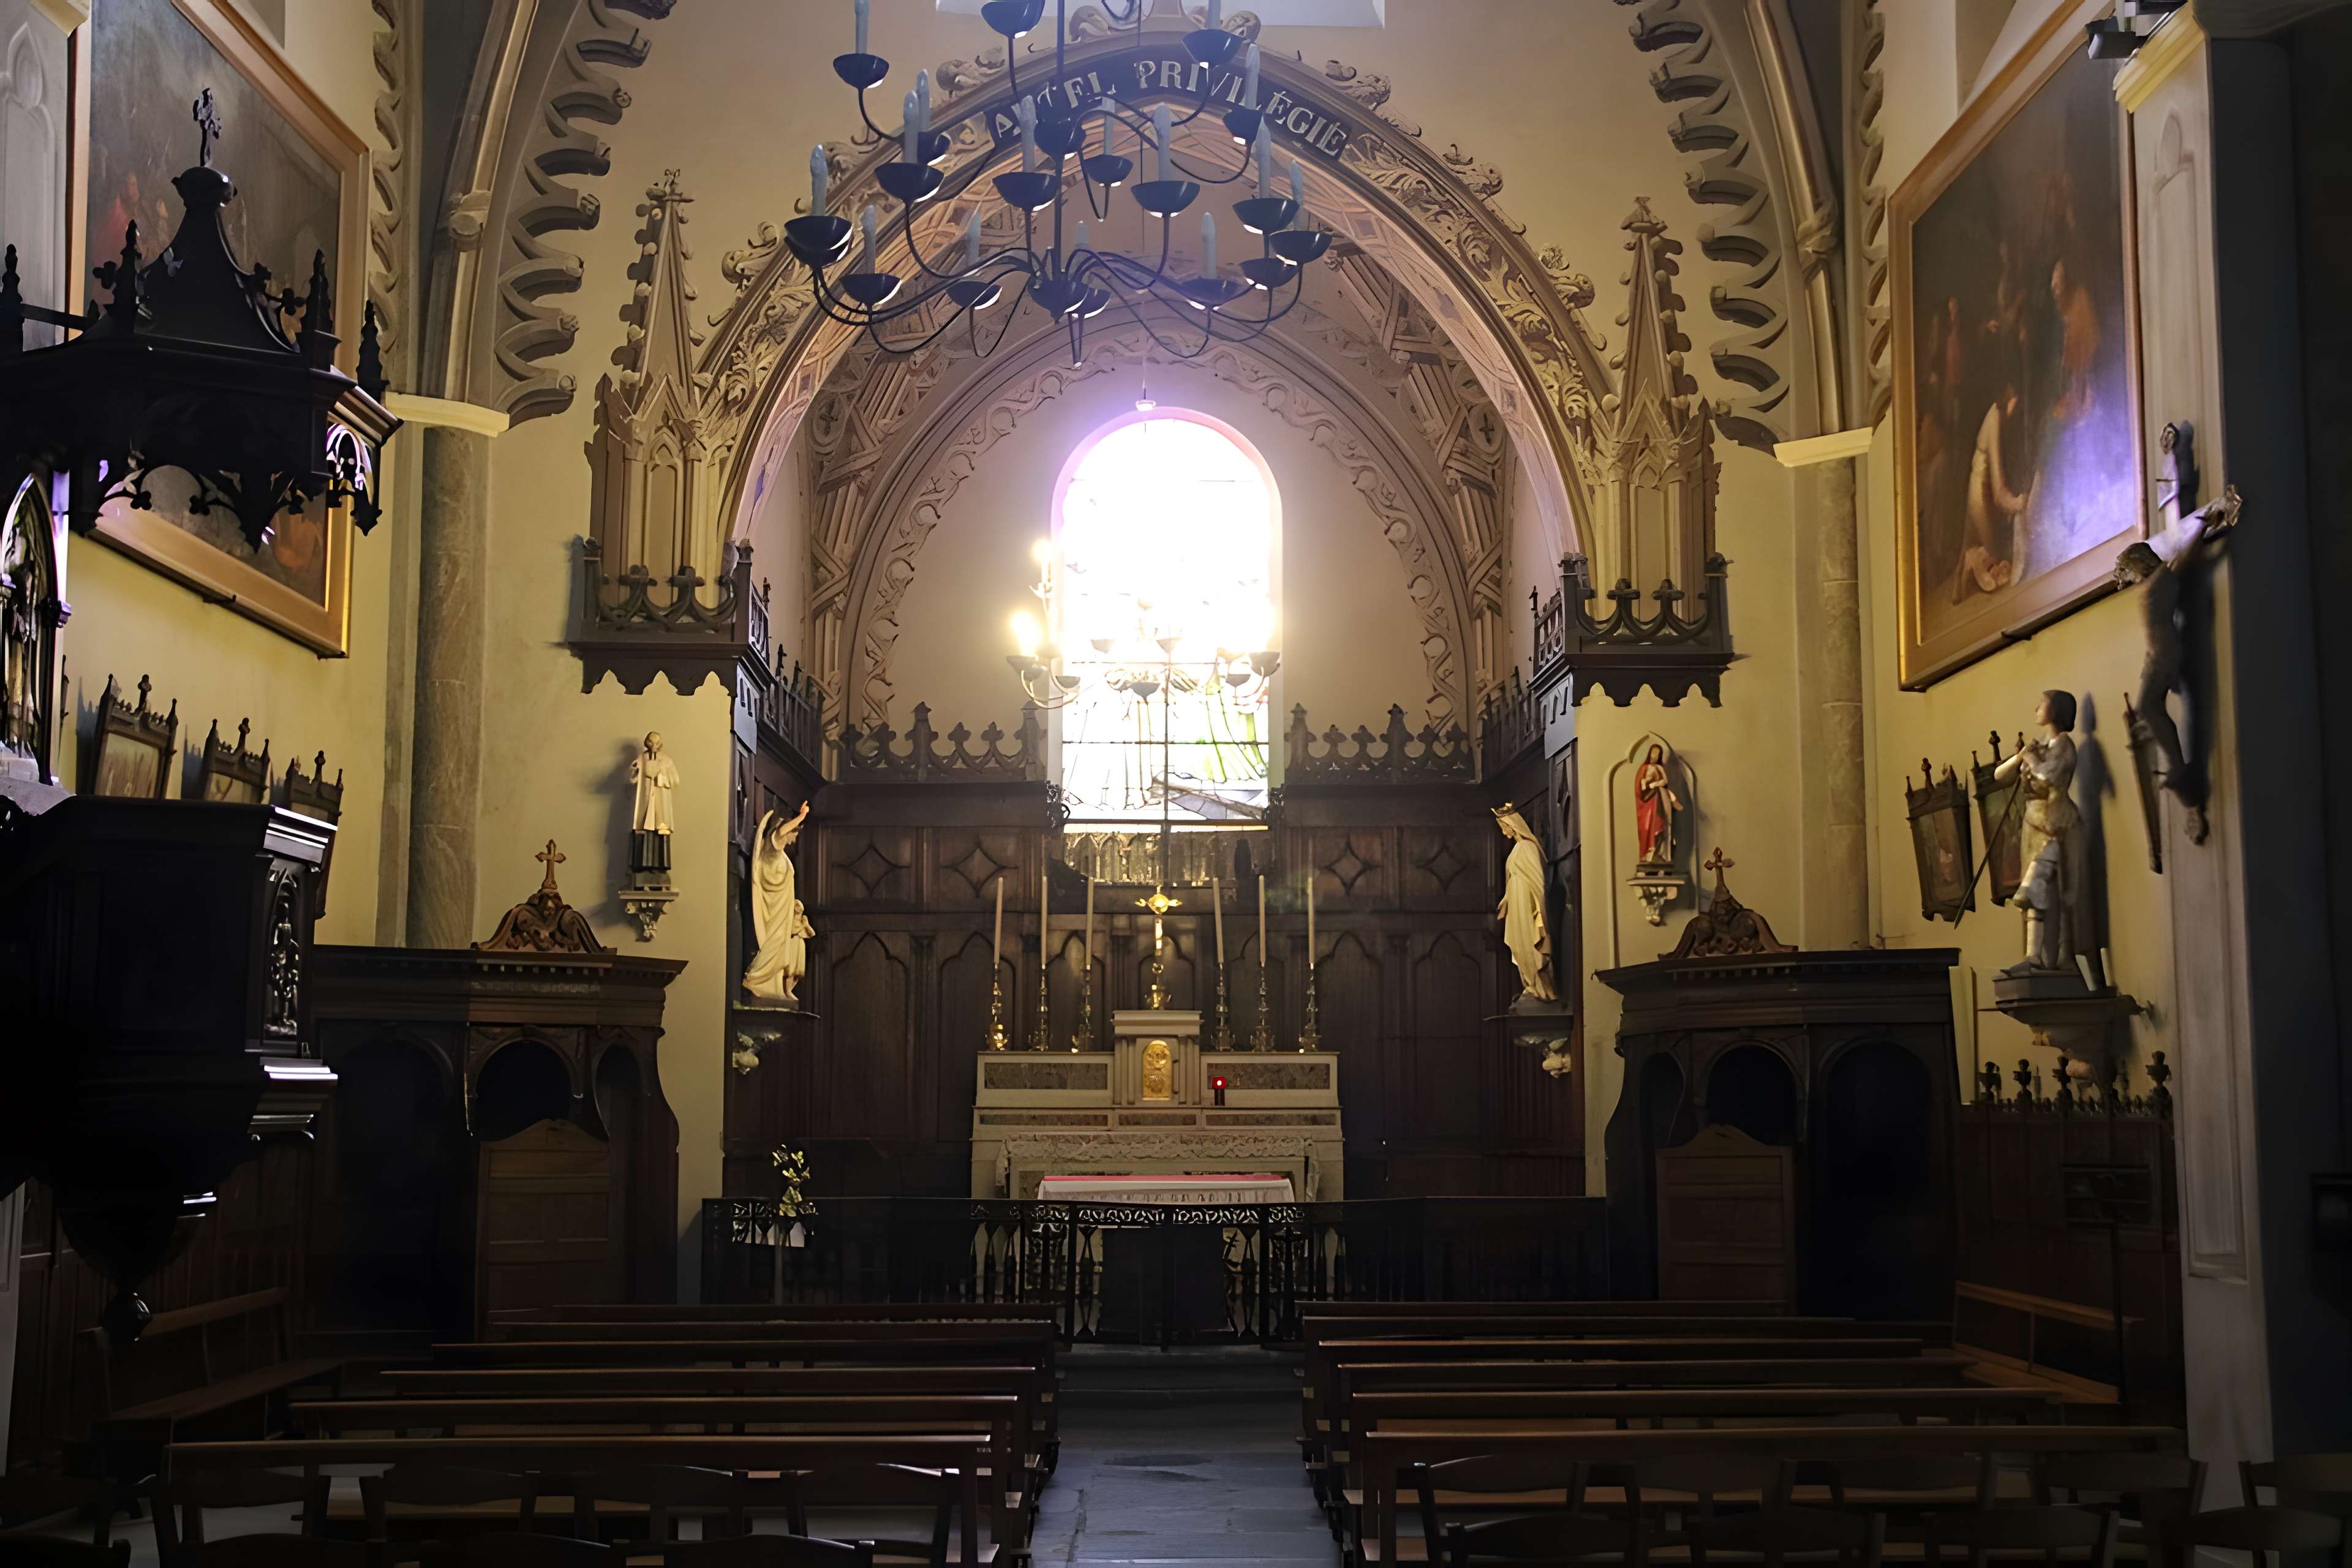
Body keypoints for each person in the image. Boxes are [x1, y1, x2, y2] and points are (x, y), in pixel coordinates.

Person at [1994, 690, 2086, 975]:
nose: (2036, 708)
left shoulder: (2064, 745)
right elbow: (1999, 776)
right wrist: (2020, 757)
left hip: (2055, 825)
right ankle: (2039, 956)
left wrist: (2032, 760)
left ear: (2056, 710)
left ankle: (2041, 957)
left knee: (2038, 888)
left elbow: (2050, 777)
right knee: (2038, 891)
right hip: (2033, 825)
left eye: (2042, 704)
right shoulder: (2040, 746)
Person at [1957, 383, 2029, 600]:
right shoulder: (1995, 419)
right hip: (1981, 497)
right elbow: (1998, 493)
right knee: (1998, 555)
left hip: (1987, 493)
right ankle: (1973, 558)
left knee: (2006, 555)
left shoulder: (2005, 417)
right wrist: (2019, 502)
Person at [743, 803, 815, 1005]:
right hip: (773, 910)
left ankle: (772, 985)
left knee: (781, 948)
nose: (794, 840)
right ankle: (756, 979)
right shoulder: (771, 851)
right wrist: (801, 817)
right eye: (795, 834)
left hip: (782, 910)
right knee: (774, 945)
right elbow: (781, 832)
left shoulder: (781, 856)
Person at [1494, 804, 1555, 1003]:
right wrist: (1506, 900)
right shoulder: (1516, 849)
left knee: (1530, 943)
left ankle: (1540, 986)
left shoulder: (1527, 847)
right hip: (1517, 904)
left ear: (1513, 825)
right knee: (1519, 946)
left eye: (1504, 825)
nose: (1504, 830)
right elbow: (1513, 878)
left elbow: (1538, 881)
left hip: (1527, 904)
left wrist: (1539, 908)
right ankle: (1531, 985)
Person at [628, 731, 680, 876]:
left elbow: (675, 780)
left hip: (660, 802)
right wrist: (635, 769)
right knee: (644, 830)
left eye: (656, 742)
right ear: (647, 743)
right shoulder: (642, 759)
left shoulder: (666, 761)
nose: (654, 745)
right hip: (645, 802)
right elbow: (632, 779)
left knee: (660, 831)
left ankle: (660, 867)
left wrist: (662, 776)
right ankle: (641, 866)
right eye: (651, 742)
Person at [1634, 744, 1680, 868]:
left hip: (1660, 797)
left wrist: (1655, 784)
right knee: (1648, 827)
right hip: (1648, 802)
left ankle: (1660, 853)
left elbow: (1665, 781)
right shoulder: (1644, 768)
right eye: (1653, 753)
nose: (1655, 756)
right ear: (1650, 753)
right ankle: (1648, 854)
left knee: (1661, 824)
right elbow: (1640, 789)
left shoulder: (1659, 768)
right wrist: (1646, 785)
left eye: (1658, 754)